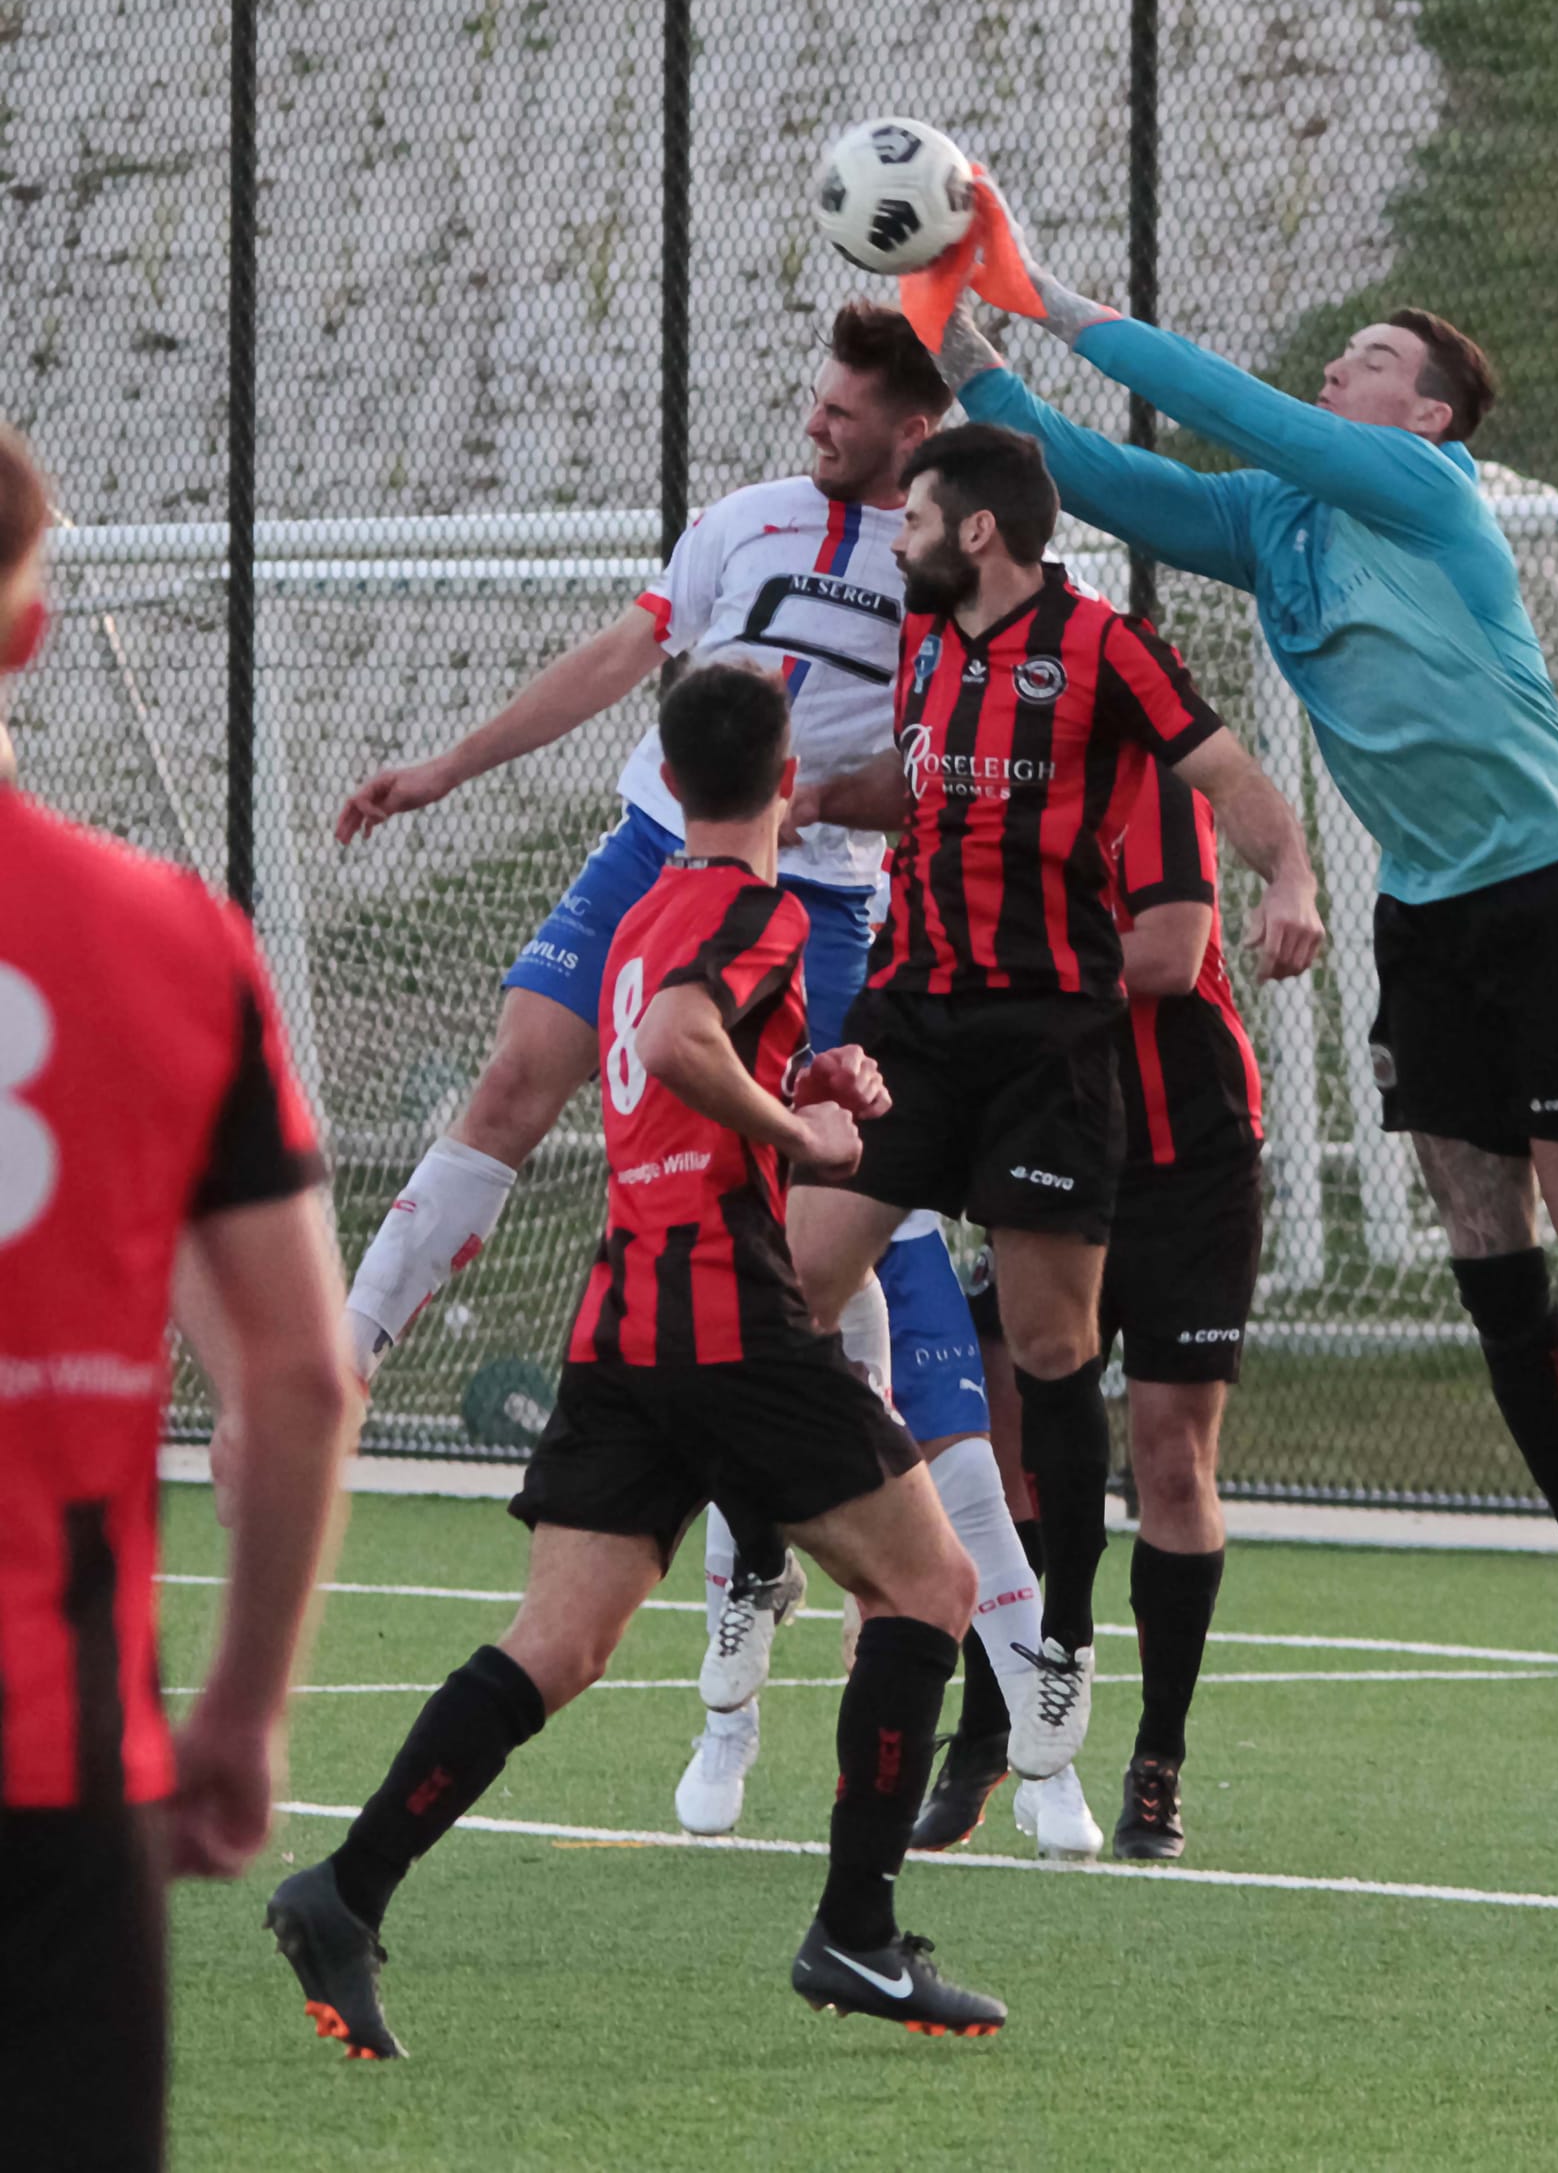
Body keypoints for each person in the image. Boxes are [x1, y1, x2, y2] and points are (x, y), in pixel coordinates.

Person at [925, 218, 1558, 1763]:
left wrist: (1051, 298)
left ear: (1427, 414)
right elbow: (1082, 480)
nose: (1336, 367)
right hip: (1432, 916)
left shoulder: (1426, 491)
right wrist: (952, 331)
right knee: (1486, 1253)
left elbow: (1243, 407)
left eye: (1370, 360)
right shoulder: (1277, 527)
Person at [328, 303, 1041, 1833]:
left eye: (844, 410)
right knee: (522, 1072)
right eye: (818, 403)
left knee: (812, 1263)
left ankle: (856, 1635)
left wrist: (806, 805)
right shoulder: (745, 524)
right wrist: (450, 768)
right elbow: (622, 652)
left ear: (916, 432)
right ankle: (356, 1333)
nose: (816, 427)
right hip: (661, 846)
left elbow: (955, 774)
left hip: (823, 899)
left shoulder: (952, 575)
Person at [266, 665, 1006, 2051]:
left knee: (559, 1643)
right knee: (932, 1583)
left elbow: (670, 1054)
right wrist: (807, 1138)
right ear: (790, 784)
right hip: (728, 1315)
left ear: (667, 783)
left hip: (623, 1320)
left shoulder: (644, 912)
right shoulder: (763, 909)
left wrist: (796, 1083)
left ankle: (344, 1886)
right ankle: (856, 1933)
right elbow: (680, 1041)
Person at [782, 423, 1323, 1779]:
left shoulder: (1107, 648)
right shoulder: (928, 647)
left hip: (1045, 1042)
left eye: (913, 520)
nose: (895, 541)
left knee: (1050, 1351)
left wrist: (1294, 875)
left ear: (976, 533)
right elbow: (915, 788)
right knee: (780, 1288)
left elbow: (1226, 773)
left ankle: (1062, 1635)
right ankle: (817, 1549)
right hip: (910, 1019)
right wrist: (795, 804)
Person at [0, 422, 355, 2166]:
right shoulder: (169, 938)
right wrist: (242, 1709)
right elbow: (300, 1374)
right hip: (51, 1746)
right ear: (27, 631)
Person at [917, 758, 1265, 1862]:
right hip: (1047, 1139)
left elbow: (1168, 952)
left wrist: (1016, 967)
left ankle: (1156, 1761)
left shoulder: (1151, 783)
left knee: (1170, 1460)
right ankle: (989, 1725)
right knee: (999, 1432)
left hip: (1186, 1158)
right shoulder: (974, 790)